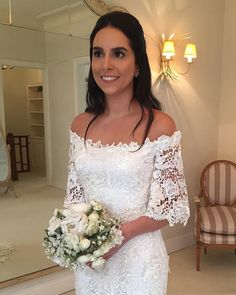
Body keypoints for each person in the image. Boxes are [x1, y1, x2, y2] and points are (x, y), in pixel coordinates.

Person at [64, 11, 190, 295]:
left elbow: (171, 208)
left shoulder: (160, 126)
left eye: (118, 53)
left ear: (137, 65)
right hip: (92, 261)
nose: (105, 64)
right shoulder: (79, 125)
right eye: (98, 53)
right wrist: (73, 235)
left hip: (139, 261)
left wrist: (117, 236)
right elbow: (74, 198)